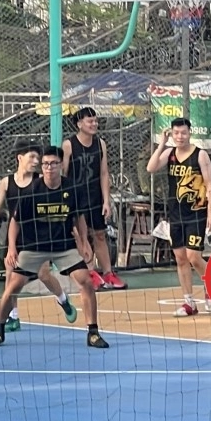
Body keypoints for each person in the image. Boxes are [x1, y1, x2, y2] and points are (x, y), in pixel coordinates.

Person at [0, 146, 108, 349]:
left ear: (61, 165)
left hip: (63, 245)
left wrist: (84, 242)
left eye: (53, 164)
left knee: (85, 281)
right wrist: (12, 248)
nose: (49, 168)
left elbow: (79, 218)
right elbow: (15, 222)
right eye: (45, 164)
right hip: (34, 246)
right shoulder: (32, 191)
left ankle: (93, 332)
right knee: (13, 286)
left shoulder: (72, 188)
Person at [0, 141, 76, 330]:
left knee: (44, 274)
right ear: (20, 158)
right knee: (10, 275)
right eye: (31, 157)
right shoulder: (7, 182)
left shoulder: (39, 180)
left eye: (37, 158)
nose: (36, 161)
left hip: (37, 235)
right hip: (16, 233)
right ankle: (14, 317)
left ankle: (63, 300)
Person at [145, 117, 211, 317]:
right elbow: (150, 168)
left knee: (193, 256)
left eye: (183, 133)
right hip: (175, 213)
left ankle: (210, 287)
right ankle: (189, 303)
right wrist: (161, 144)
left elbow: (209, 184)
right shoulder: (169, 154)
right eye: (176, 133)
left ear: (189, 133)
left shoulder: (200, 155)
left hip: (196, 212)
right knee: (180, 258)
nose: (180, 136)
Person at [62, 106, 126, 290]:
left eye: (95, 121)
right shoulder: (69, 145)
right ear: (79, 124)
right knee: (82, 237)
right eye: (90, 121)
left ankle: (108, 273)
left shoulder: (100, 144)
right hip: (76, 197)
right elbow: (64, 174)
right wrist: (66, 199)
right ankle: (89, 272)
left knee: (100, 234)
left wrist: (106, 200)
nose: (94, 124)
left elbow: (104, 173)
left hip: (95, 196)